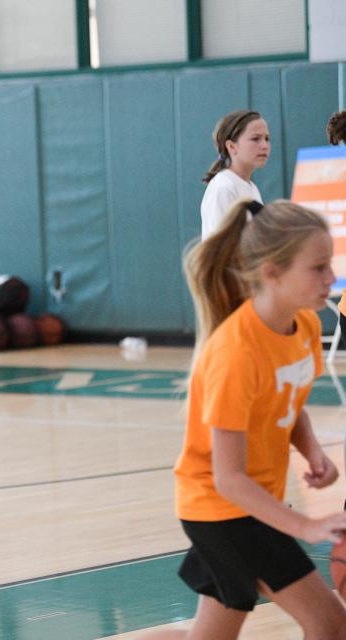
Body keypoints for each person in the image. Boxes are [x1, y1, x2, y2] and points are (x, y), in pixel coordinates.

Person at [145, 199, 346, 639]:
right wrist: (306, 526)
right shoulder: (235, 353)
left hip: (253, 503)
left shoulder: (305, 327)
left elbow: (288, 404)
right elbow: (229, 478)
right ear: (271, 272)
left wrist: (311, 450)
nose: (331, 278)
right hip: (223, 510)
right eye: (317, 268)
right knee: (330, 623)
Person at [200, 111, 269, 239]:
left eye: (267, 139)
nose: (264, 145)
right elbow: (221, 248)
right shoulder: (224, 188)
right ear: (231, 146)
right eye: (255, 139)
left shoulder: (251, 187)